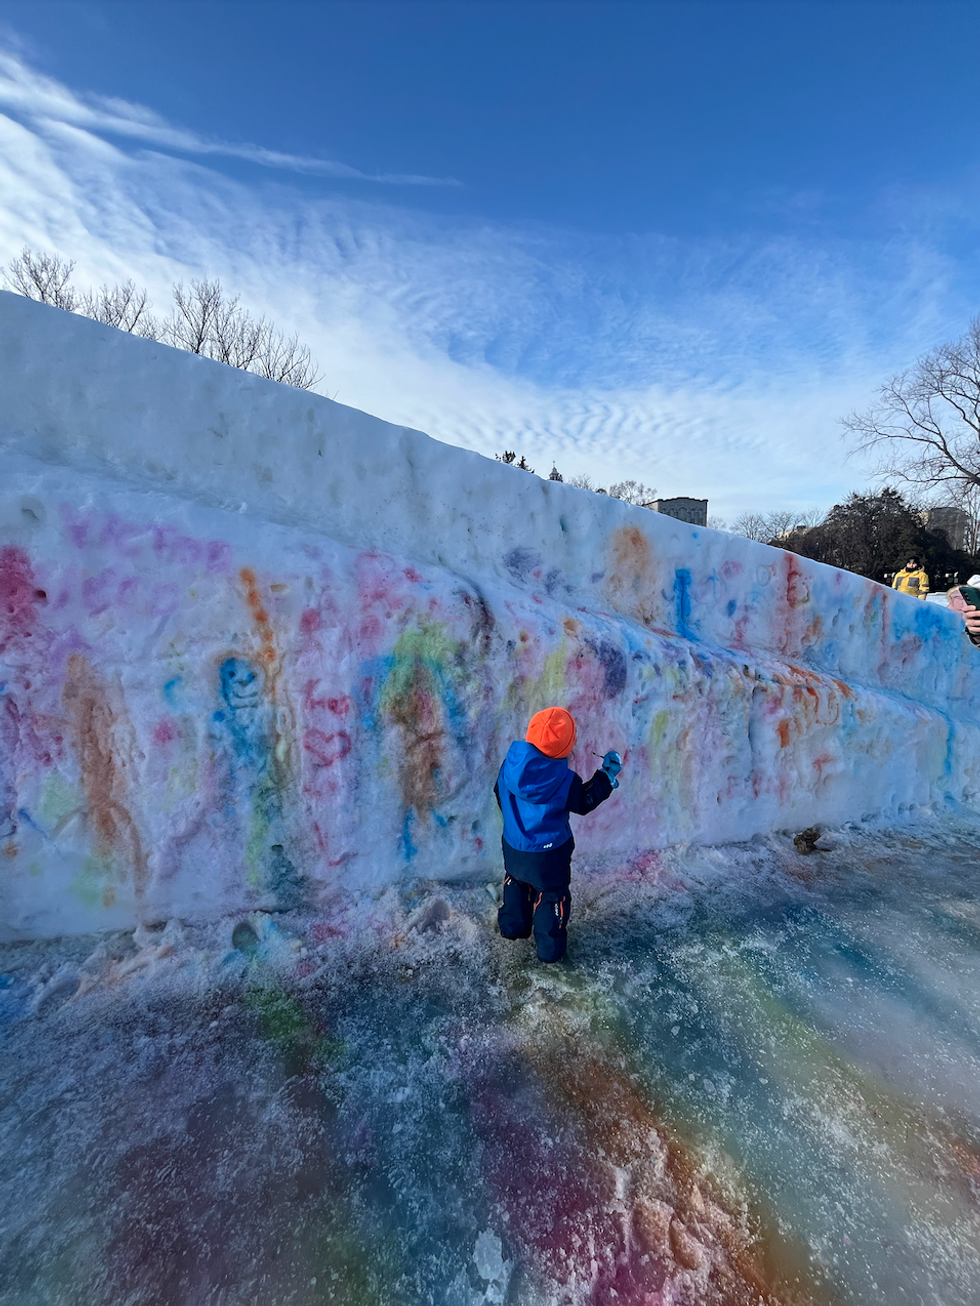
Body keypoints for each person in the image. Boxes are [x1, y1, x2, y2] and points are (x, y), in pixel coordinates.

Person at [494, 706, 621, 963]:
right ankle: (549, 952)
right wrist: (606, 777)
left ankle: (512, 928)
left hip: (514, 847)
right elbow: (584, 801)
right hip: (549, 855)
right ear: (565, 748)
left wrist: (515, 824)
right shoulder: (564, 780)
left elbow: (499, 792)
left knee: (516, 884)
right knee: (552, 895)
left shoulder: (510, 765)